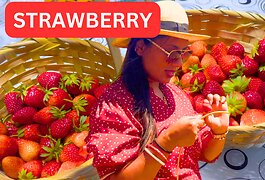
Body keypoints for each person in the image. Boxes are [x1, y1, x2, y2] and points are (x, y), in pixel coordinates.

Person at [85, 1, 229, 179]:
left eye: (184, 52)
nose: (179, 62)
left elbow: (204, 155)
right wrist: (166, 142)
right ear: (140, 47)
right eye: (171, 52)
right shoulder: (115, 106)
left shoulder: (177, 94)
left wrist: (219, 132)